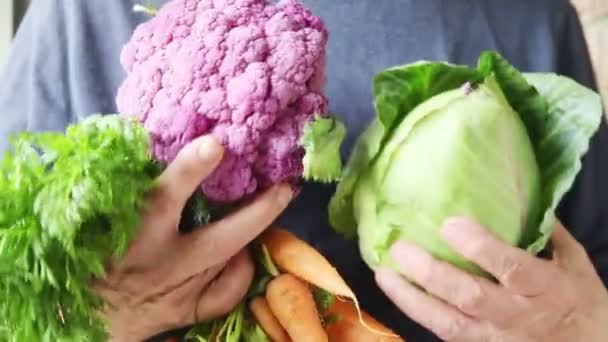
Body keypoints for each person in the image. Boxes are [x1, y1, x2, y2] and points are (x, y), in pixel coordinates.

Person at [1, 0, 607, 341]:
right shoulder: (78, 14)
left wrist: (584, 330)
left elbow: (595, 284)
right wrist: (97, 320)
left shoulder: (530, 17)